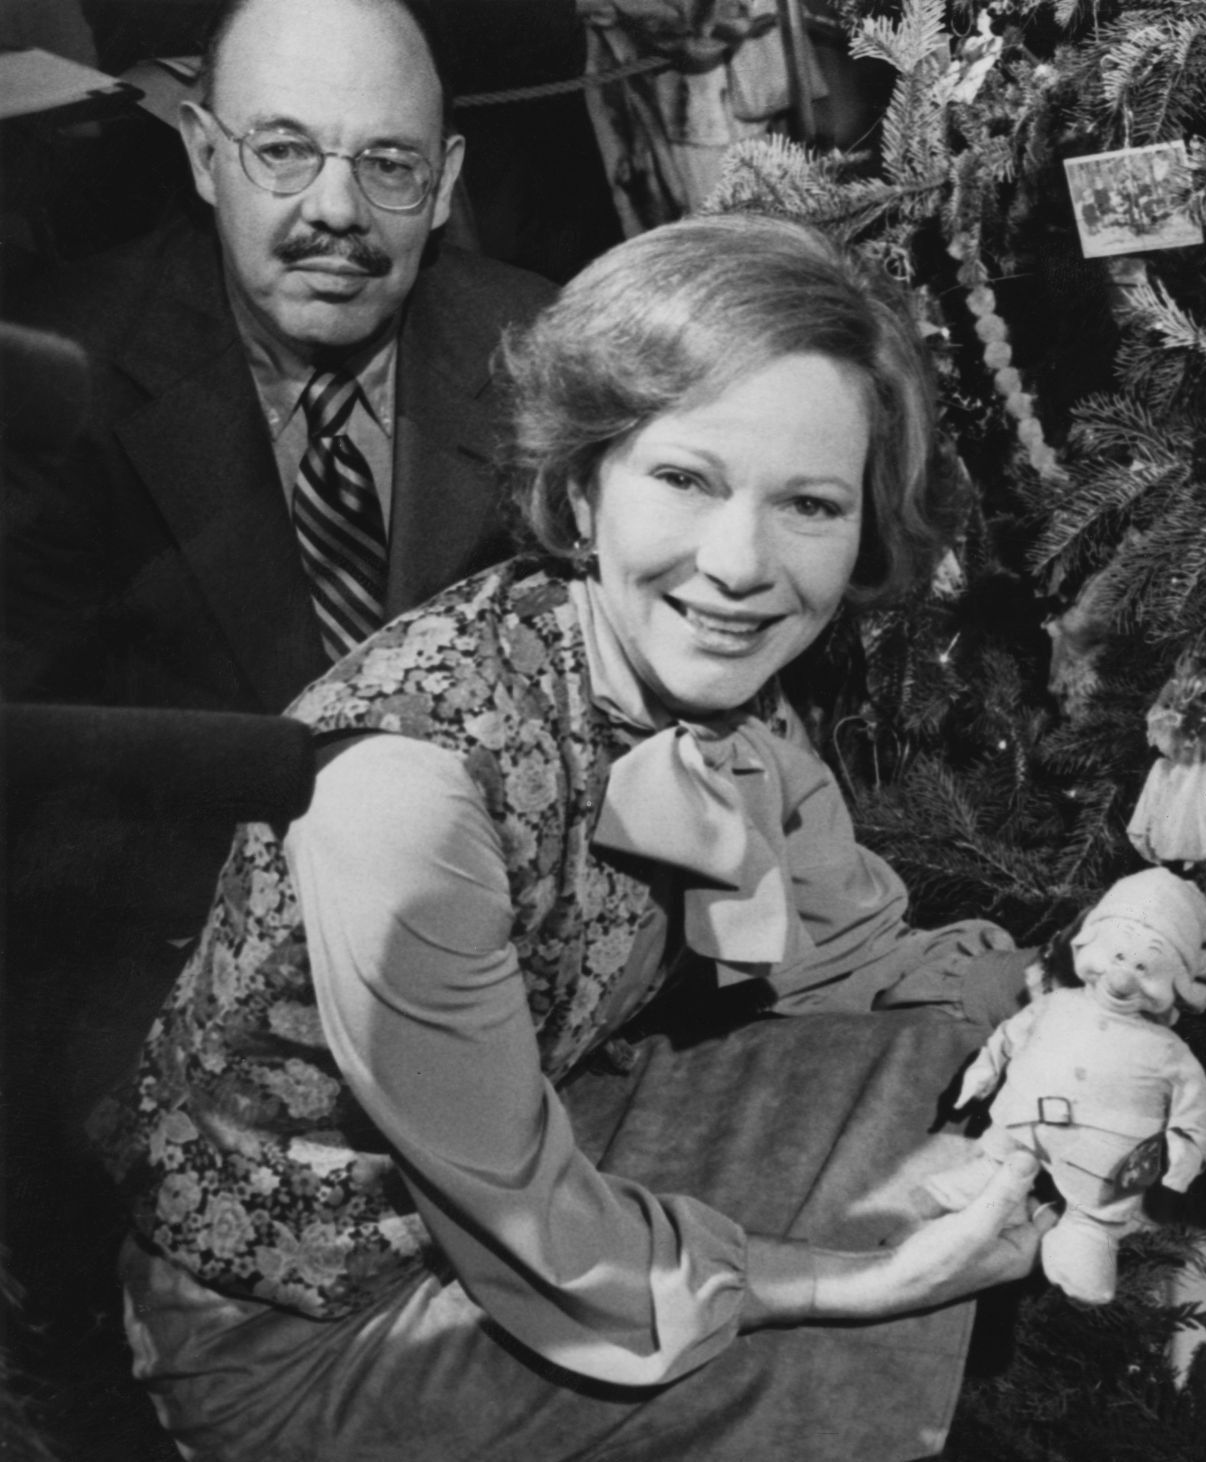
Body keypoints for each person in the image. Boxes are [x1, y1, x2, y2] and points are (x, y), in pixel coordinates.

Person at [89, 212, 1058, 1461]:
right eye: (685, 478)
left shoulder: (703, 670)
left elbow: (848, 946)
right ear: (583, 481)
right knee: (835, 1347)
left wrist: (1044, 1008)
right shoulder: (406, 792)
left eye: (808, 504)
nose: (740, 564)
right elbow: (534, 1226)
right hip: (308, 1330)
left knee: (930, 1086)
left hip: (501, 1186)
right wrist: (836, 1284)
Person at [5, 0, 554, 715]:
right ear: (205, 155)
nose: (336, 209)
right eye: (283, 151)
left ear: (444, 183)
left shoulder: (542, 353)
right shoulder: (54, 380)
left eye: (388, 163)